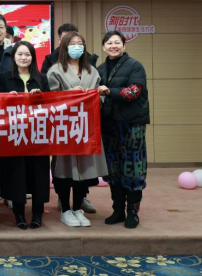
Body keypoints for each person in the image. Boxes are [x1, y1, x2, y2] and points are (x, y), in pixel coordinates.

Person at [47, 32, 108, 228]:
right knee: (65, 169)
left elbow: (99, 98)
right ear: (64, 47)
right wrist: (69, 94)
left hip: (87, 126)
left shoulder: (92, 71)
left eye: (80, 43)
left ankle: (78, 207)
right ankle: (65, 209)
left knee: (85, 168)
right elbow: (50, 98)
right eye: (72, 43)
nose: (76, 47)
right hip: (65, 126)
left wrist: (100, 94)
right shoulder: (55, 70)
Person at [97, 31, 150, 229]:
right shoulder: (100, 69)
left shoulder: (135, 66)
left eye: (117, 42)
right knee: (113, 170)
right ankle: (118, 210)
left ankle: (133, 213)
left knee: (134, 169)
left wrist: (109, 91)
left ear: (124, 45)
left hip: (131, 125)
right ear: (104, 47)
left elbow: (133, 92)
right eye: (109, 43)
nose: (113, 46)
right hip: (109, 125)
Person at [0, 41, 50, 230]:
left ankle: (37, 213)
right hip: (14, 134)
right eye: (20, 54)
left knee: (39, 173)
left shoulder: (41, 78)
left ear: (32, 57)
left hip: (37, 133)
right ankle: (18, 213)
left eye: (27, 54)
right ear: (13, 57)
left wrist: (40, 96)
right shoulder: (4, 78)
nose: (23, 58)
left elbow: (52, 104)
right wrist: (7, 98)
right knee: (17, 173)